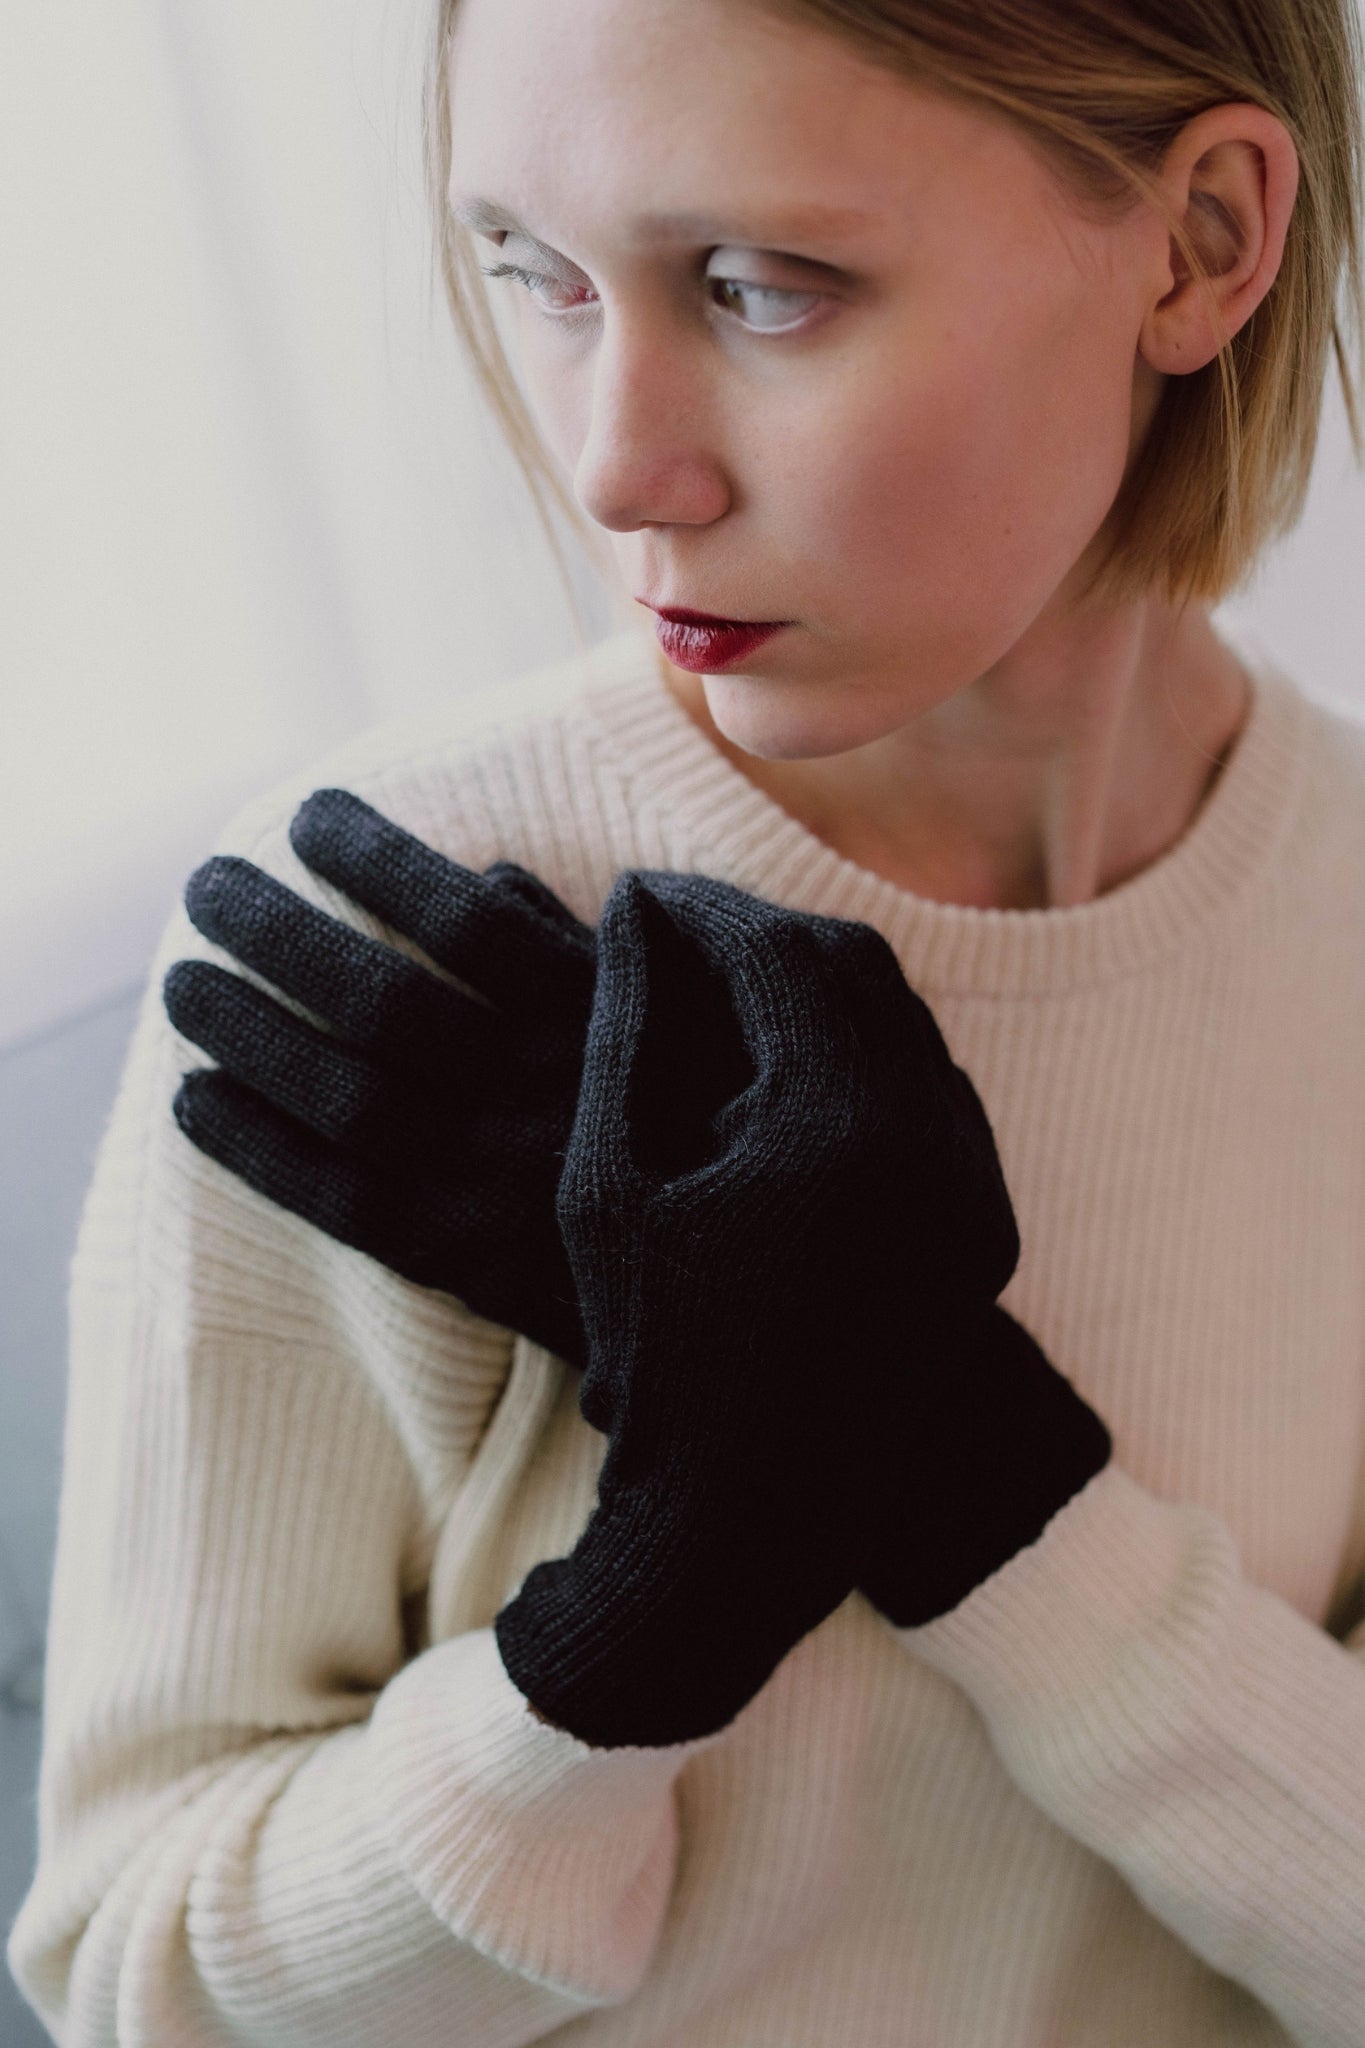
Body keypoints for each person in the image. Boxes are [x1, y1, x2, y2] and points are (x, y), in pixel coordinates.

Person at [10, 0, 1365, 2039]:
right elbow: (141, 1983)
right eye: (529, 273)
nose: (609, 460)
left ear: (1196, 243)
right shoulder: (390, 944)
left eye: (760, 289)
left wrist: (979, 1485)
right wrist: (656, 1601)